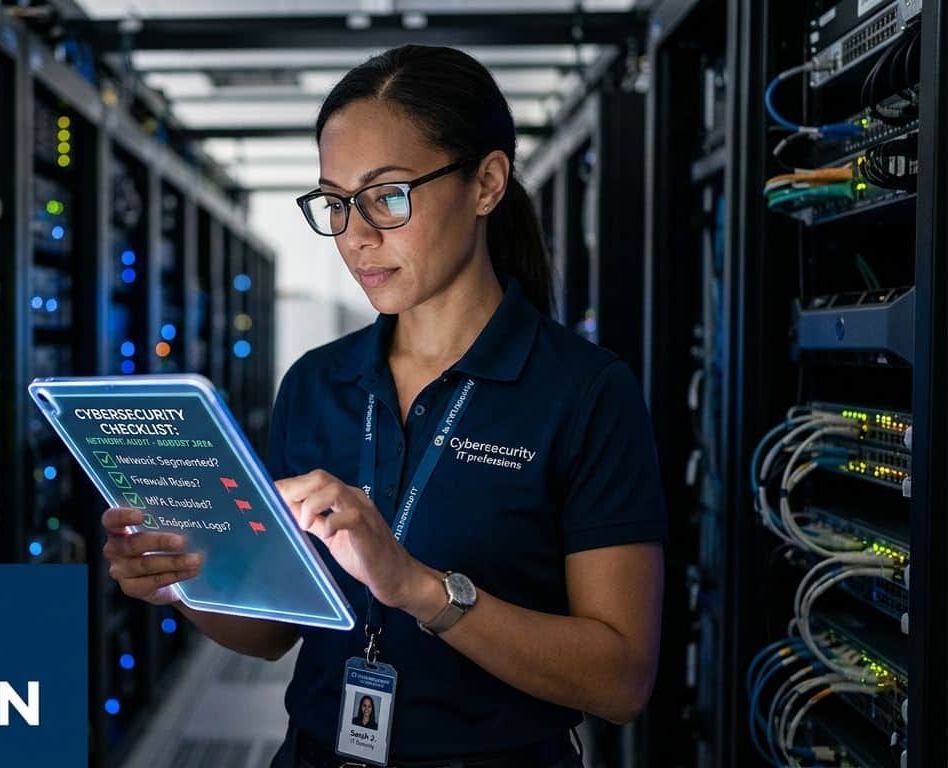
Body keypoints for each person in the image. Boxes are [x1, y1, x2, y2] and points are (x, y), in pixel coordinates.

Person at [100, 44, 665, 768]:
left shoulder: (585, 392)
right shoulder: (317, 383)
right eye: (335, 203)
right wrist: (183, 580)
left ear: (487, 183)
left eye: (387, 196)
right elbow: (275, 632)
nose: (356, 236)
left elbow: (620, 680)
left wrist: (419, 589)